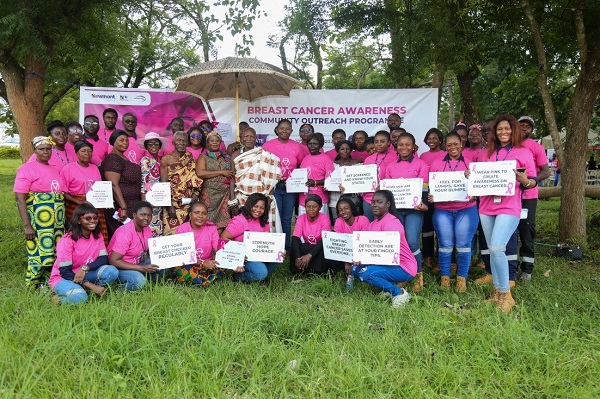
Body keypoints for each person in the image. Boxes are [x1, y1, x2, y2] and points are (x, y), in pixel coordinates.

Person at [466, 114, 537, 313]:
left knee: (498, 247)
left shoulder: (523, 152)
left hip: (509, 206)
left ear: (513, 131)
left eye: (507, 129)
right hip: (487, 205)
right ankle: (497, 291)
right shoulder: (486, 153)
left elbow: (532, 181)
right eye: (499, 129)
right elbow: (478, 176)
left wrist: (525, 180)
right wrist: (470, 176)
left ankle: (506, 295)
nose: (503, 132)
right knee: (491, 247)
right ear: (494, 133)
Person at [428, 132, 478, 292]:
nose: (453, 147)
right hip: (443, 210)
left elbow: (477, 187)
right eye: (449, 145)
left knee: (464, 245)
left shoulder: (470, 165)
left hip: (466, 209)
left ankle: (462, 279)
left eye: (456, 144)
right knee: (445, 245)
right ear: (445, 146)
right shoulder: (436, 164)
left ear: (462, 144)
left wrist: (473, 192)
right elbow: (433, 188)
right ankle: (445, 278)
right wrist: (431, 195)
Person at [350, 190, 417, 308]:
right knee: (355, 268)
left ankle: (399, 293)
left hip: (403, 267)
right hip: (388, 263)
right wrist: (360, 258)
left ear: (388, 204)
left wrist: (366, 260)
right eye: (373, 202)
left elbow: (385, 254)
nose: (374, 205)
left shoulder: (391, 223)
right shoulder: (373, 223)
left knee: (367, 274)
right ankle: (388, 288)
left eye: (379, 202)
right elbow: (369, 249)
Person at [15, 136, 66, 288]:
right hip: (39, 223)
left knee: (54, 253)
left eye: (48, 149)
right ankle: (32, 285)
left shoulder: (54, 169)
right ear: (34, 150)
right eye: (41, 149)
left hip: (56, 222)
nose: (46, 152)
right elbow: (20, 199)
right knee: (39, 254)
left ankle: (49, 283)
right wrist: (27, 226)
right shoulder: (27, 169)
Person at [383, 132, 430, 292]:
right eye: (400, 144)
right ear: (396, 147)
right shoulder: (390, 167)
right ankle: (401, 275)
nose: (404, 147)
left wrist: (423, 204)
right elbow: (387, 190)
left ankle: (417, 275)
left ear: (413, 147)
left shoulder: (421, 164)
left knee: (412, 242)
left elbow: (424, 189)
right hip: (396, 211)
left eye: (407, 144)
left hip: (414, 210)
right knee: (398, 243)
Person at [49, 203, 119, 304]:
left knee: (112, 271)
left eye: (95, 217)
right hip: (63, 277)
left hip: (85, 273)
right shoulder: (67, 240)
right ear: (78, 220)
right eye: (88, 218)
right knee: (80, 299)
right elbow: (65, 272)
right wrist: (90, 285)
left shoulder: (97, 235)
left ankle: (88, 292)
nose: (93, 221)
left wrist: (85, 268)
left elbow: (103, 258)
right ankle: (54, 298)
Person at [262, 119, 307, 251]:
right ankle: (276, 247)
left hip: (290, 187)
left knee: (287, 219)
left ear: (292, 131)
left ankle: (286, 247)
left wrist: (297, 181)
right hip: (274, 186)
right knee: (275, 217)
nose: (284, 131)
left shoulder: (297, 147)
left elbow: (300, 166)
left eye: (287, 129)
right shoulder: (268, 145)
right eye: (281, 128)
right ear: (276, 129)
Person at [517, 116, 550, 282]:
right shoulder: (509, 145)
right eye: (521, 125)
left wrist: (531, 181)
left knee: (526, 229)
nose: (524, 128)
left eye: (527, 126)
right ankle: (510, 266)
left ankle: (527, 269)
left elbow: (546, 171)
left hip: (528, 196)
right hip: (510, 196)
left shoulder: (535, 146)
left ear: (531, 130)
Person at [60, 141, 109, 246]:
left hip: (94, 205)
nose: (87, 153)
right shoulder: (68, 169)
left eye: (89, 151)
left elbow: (99, 189)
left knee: (98, 232)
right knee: (77, 233)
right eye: (83, 151)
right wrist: (78, 202)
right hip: (75, 206)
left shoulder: (95, 168)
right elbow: (63, 192)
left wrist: (105, 201)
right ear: (77, 153)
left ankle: (98, 255)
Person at [232, 127, 282, 232]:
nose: (249, 139)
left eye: (251, 136)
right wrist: (232, 201)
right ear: (241, 139)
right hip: (242, 197)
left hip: (261, 197)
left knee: (262, 225)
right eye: (246, 136)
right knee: (244, 225)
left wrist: (268, 197)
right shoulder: (235, 155)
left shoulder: (264, 155)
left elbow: (271, 179)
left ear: (256, 138)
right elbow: (232, 178)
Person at [221, 193, 278, 283]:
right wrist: (238, 255)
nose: (258, 210)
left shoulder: (263, 221)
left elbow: (268, 239)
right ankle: (238, 277)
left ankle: (259, 276)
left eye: (262, 208)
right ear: (249, 205)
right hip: (245, 257)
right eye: (255, 206)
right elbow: (224, 238)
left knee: (277, 258)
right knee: (261, 272)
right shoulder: (240, 221)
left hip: (258, 254)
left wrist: (278, 250)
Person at [108, 201, 164, 291]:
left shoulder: (147, 229)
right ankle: (114, 288)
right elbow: (113, 260)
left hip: (137, 263)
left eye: (149, 215)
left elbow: (151, 250)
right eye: (143, 215)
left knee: (161, 264)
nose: (146, 218)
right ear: (134, 215)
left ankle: (145, 284)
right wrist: (142, 268)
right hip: (120, 268)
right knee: (139, 281)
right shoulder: (125, 233)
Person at [173, 201, 229, 286]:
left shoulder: (211, 227)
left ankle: (198, 280)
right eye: (196, 213)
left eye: (204, 213)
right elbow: (181, 257)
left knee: (222, 266)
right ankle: (206, 280)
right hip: (190, 265)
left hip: (208, 264)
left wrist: (235, 258)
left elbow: (217, 249)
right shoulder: (182, 229)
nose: (200, 216)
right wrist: (202, 263)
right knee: (179, 269)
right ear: (190, 215)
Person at [100, 129, 142, 240]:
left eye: (127, 141)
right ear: (113, 142)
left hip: (131, 205)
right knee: (122, 238)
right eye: (121, 140)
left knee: (131, 237)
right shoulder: (112, 159)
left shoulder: (122, 157)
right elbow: (113, 185)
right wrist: (123, 208)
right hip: (120, 207)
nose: (125, 143)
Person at [161, 131, 203, 235]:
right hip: (173, 204)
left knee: (187, 234)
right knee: (171, 235)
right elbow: (163, 184)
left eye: (184, 141)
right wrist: (169, 205)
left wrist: (195, 194)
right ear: (173, 142)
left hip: (188, 203)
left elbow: (194, 177)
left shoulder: (190, 157)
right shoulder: (166, 159)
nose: (181, 143)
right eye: (179, 140)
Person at [419, 128, 447, 270]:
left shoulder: (446, 154)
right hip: (426, 193)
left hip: (443, 193)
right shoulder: (422, 156)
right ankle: (428, 256)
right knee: (427, 226)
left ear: (441, 140)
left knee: (442, 226)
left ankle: (441, 258)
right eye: (429, 138)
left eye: (434, 138)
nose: (431, 141)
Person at [196, 130, 235, 232]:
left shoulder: (226, 157)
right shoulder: (203, 157)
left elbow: (231, 174)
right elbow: (200, 173)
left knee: (223, 223)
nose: (214, 142)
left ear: (220, 143)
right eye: (211, 140)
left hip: (224, 195)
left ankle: (219, 245)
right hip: (209, 195)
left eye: (217, 141)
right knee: (207, 220)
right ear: (207, 143)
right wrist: (221, 172)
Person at [290, 195, 334, 274]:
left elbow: (325, 239)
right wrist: (297, 257)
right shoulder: (301, 218)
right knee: (295, 247)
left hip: (320, 246)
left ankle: (317, 272)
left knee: (323, 251)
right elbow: (295, 237)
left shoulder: (324, 218)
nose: (311, 209)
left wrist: (309, 255)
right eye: (308, 206)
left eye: (314, 207)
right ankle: (299, 268)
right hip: (308, 245)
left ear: (320, 207)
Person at [360, 131, 396, 221]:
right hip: (368, 199)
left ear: (389, 143)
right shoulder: (368, 159)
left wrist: (383, 186)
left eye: (382, 141)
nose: (379, 144)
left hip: (384, 199)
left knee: (381, 227)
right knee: (369, 226)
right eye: (376, 142)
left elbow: (396, 177)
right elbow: (362, 177)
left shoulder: (395, 157)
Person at [139, 132, 169, 238]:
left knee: (159, 228)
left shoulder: (160, 161)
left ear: (160, 145)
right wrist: (144, 204)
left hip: (160, 200)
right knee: (151, 230)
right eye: (150, 144)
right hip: (150, 201)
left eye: (156, 143)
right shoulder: (145, 160)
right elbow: (143, 182)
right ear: (146, 146)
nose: (153, 146)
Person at [299, 133, 335, 215]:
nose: (312, 146)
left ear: (320, 145)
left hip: (320, 199)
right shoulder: (305, 158)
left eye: (315, 144)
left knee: (320, 224)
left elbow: (331, 180)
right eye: (310, 144)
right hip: (304, 199)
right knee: (305, 224)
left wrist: (315, 182)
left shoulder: (326, 159)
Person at [333, 196, 370, 276]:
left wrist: (351, 260)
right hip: (345, 254)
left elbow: (364, 243)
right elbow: (340, 244)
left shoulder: (363, 220)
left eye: (346, 208)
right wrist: (347, 261)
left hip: (361, 253)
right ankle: (342, 274)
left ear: (352, 209)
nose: (343, 211)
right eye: (340, 210)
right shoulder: (339, 222)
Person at [327, 140, 361, 222]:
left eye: (347, 149)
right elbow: (328, 180)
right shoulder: (332, 165)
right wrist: (327, 186)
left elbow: (360, 182)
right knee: (337, 223)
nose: (345, 151)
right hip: (335, 200)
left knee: (354, 223)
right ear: (338, 151)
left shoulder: (358, 165)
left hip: (353, 200)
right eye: (342, 149)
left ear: (351, 150)